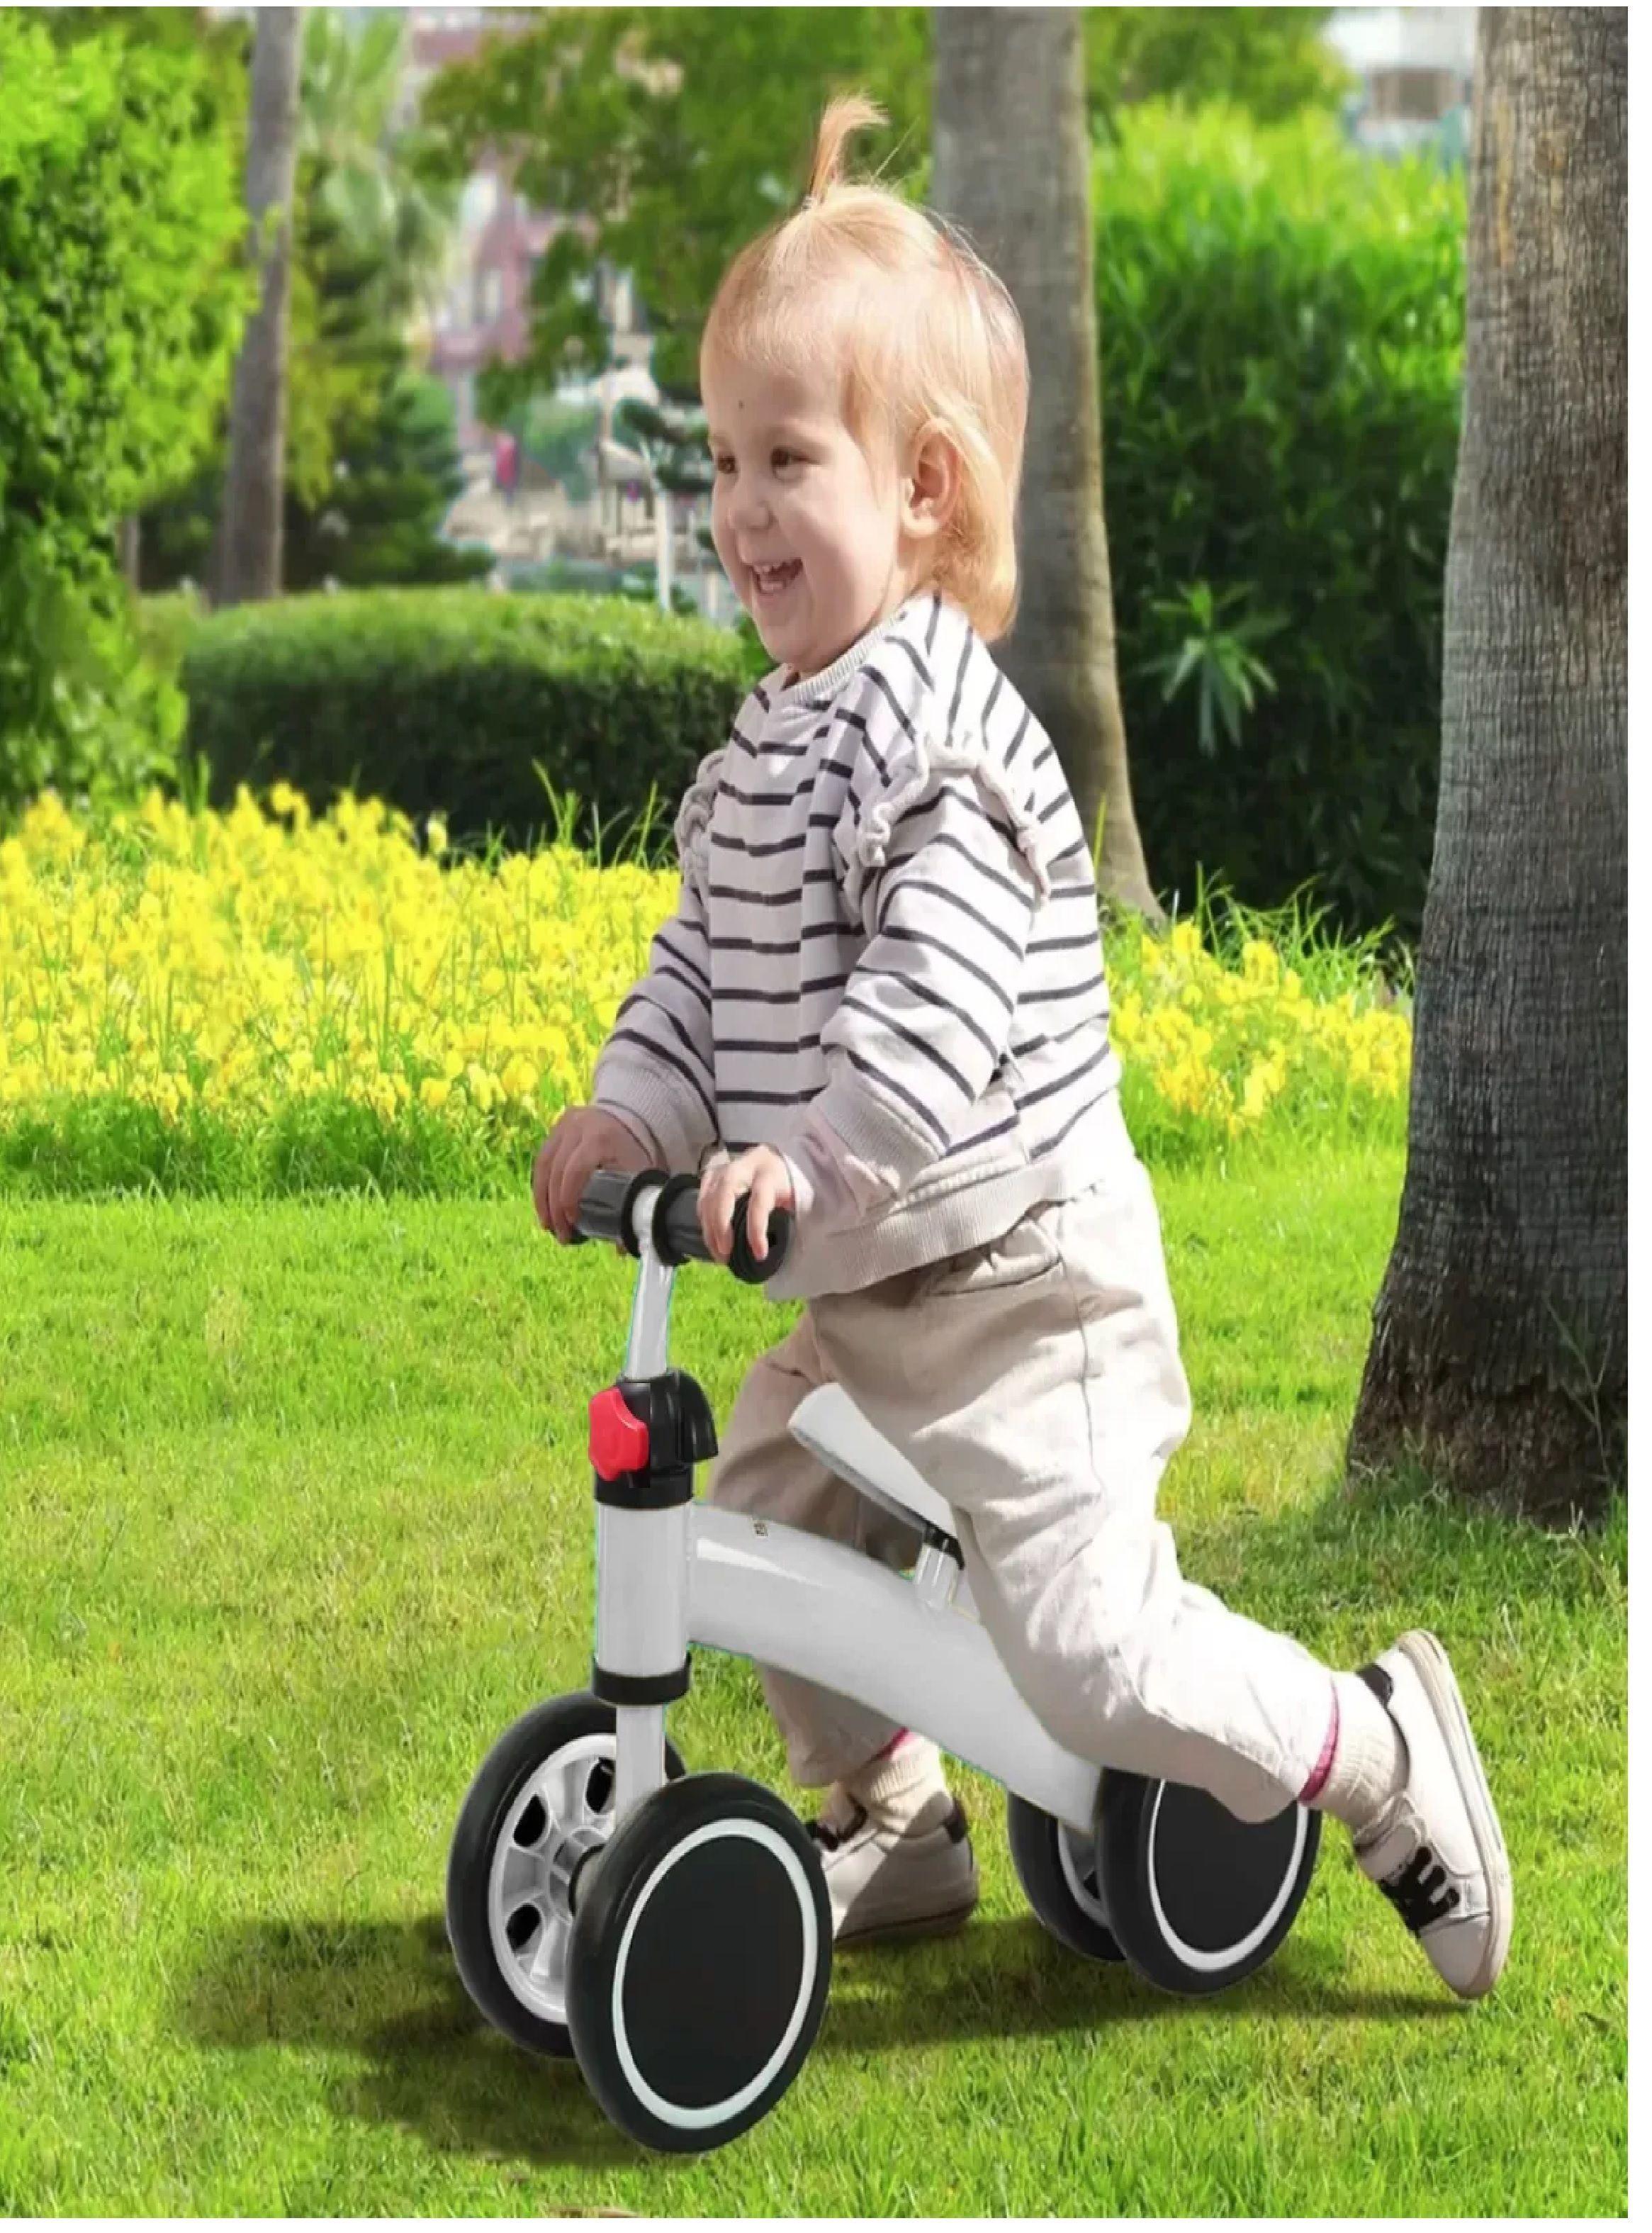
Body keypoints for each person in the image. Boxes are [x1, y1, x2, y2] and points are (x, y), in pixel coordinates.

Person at [532, 96, 1512, 1997]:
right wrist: (632, 1111)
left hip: (1019, 1296)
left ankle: (1372, 1745)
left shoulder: (946, 747)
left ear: (922, 490)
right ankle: (892, 1816)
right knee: (765, 1516)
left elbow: (930, 1008)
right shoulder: (765, 748)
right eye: (722, 458)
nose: (739, 509)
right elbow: (697, 972)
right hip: (869, 1293)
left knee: (1089, 1656)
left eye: (785, 458)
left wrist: (802, 1158)